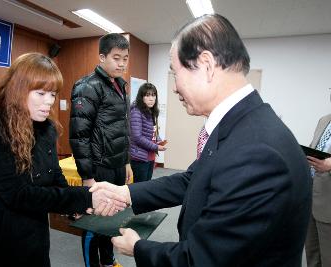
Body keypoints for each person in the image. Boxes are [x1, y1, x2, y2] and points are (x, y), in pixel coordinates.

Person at [91, 14, 312, 267]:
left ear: (206, 65)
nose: (174, 88)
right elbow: (192, 179)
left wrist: (138, 247)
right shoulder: (241, 124)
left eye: (176, 73)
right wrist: (125, 192)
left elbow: (203, 259)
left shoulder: (256, 152)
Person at [0, 53, 126, 267]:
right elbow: (18, 194)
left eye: (52, 94)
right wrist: (84, 198)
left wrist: (75, 206)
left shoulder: (45, 127)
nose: (49, 102)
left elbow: (54, 174)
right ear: (17, 89)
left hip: (35, 227)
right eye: (41, 93)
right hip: (0, 233)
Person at [69, 33, 132, 267]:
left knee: (111, 219)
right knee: (92, 223)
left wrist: (125, 161)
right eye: (117, 58)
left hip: (116, 166)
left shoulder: (120, 86)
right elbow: (79, 136)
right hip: (98, 168)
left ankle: (107, 261)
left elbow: (123, 130)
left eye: (125, 58)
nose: (122, 63)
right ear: (102, 57)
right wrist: (87, 177)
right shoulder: (87, 86)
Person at [305, 114, 331, 267]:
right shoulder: (324, 120)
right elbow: (314, 148)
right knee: (312, 258)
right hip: (311, 199)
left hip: (328, 206)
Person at [130, 82, 166, 182]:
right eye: (147, 95)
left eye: (153, 95)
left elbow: (153, 131)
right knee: (140, 188)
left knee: (146, 185)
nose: (151, 98)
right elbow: (137, 137)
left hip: (150, 156)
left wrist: (158, 140)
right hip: (139, 158)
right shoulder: (136, 111)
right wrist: (155, 147)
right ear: (141, 97)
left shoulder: (151, 111)